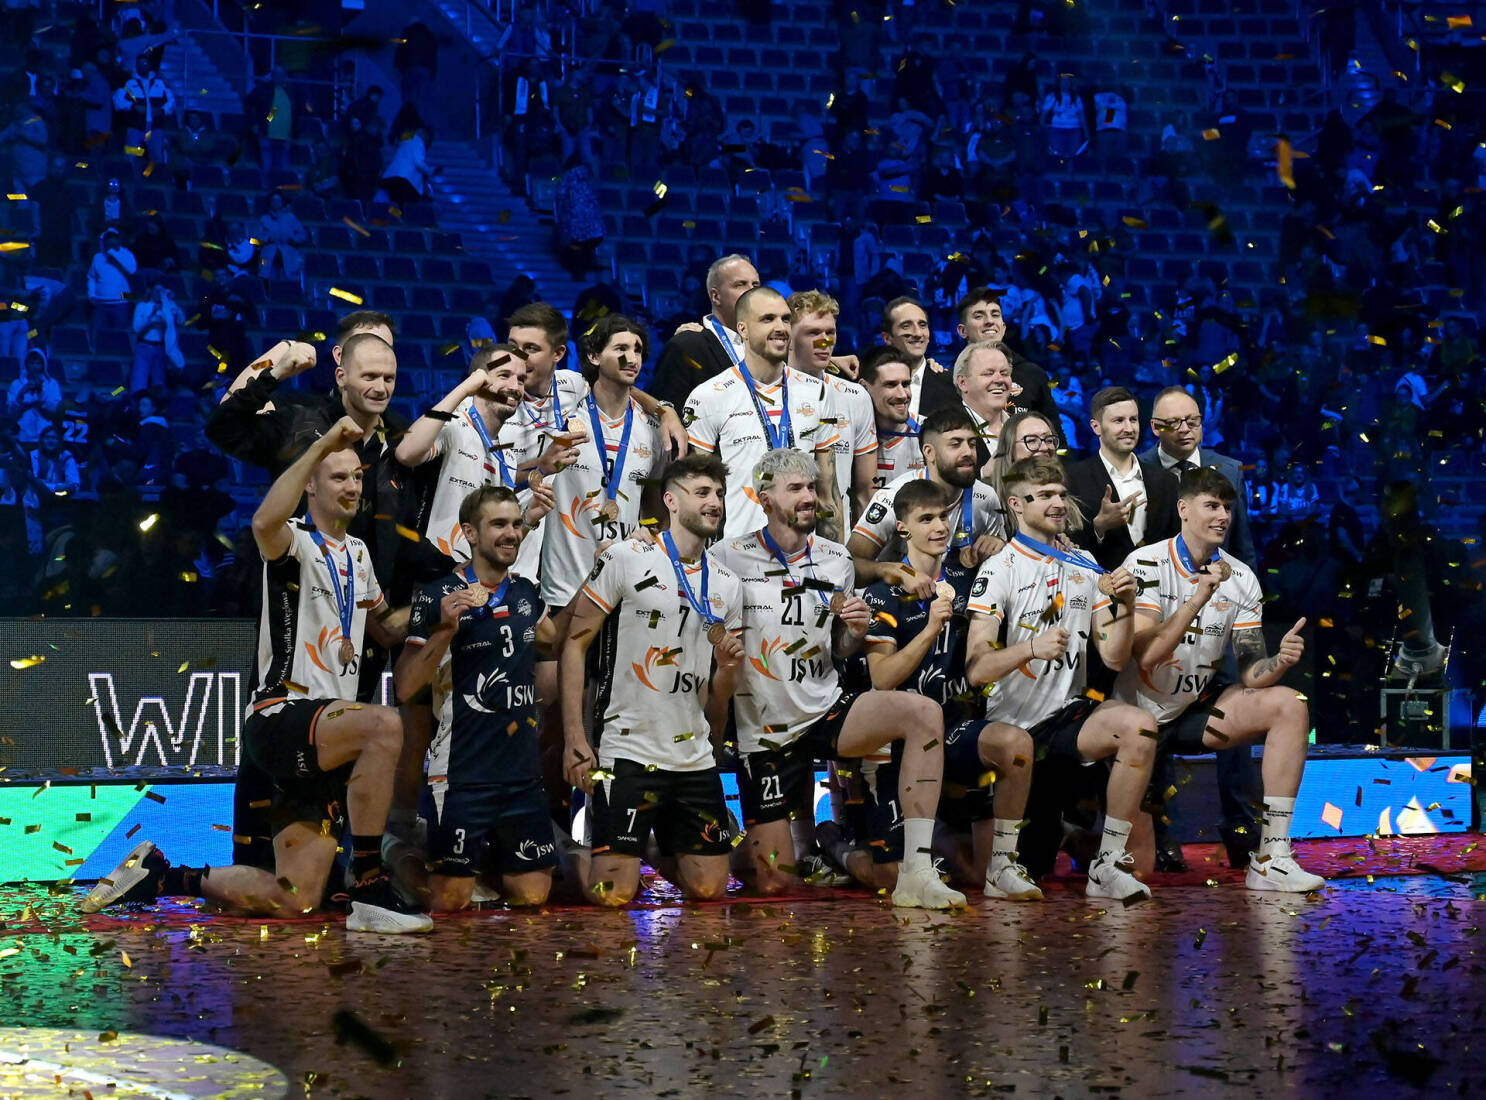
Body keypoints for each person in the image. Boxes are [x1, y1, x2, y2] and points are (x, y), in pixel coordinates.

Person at [80, 417, 431, 933]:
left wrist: (442, 604)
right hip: (281, 713)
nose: (353, 486)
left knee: (295, 897)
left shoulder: (358, 554)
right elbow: (264, 521)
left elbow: (385, 626)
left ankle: (163, 876)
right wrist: (322, 444)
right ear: (311, 485)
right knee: (384, 724)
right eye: (338, 477)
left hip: (325, 738)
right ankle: (370, 884)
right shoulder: (294, 542)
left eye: (357, 477)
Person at [714, 449, 966, 909]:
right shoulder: (727, 557)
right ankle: (728, 848)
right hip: (764, 732)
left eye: (812, 487)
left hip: (825, 708)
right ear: (764, 499)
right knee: (772, 881)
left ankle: (917, 870)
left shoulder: (835, 558)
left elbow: (840, 647)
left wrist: (853, 632)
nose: (809, 497)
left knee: (923, 713)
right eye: (795, 488)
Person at [1117, 467, 1325, 892]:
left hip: (1193, 709)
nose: (1223, 516)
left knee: (1289, 704)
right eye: (1211, 506)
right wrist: (1199, 596)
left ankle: (1272, 856)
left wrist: (1279, 662)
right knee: (1138, 871)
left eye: (1227, 508)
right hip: (1134, 720)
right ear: (1183, 509)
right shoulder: (1145, 563)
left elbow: (1251, 671)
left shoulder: (1241, 576)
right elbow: (1146, 657)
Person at [965, 456, 1158, 900]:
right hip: (1012, 727)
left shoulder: (1084, 562)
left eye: (1061, 494)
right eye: (1044, 495)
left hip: (1068, 720)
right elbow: (977, 670)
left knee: (1140, 727)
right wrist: (1031, 648)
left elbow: (1113, 658)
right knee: (1007, 868)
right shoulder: (1000, 568)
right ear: (1016, 504)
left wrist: (1128, 606)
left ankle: (1107, 865)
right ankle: (1011, 858)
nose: (1057, 503)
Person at [559, 453, 746, 905]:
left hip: (692, 755)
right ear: (671, 501)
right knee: (612, 895)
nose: (715, 502)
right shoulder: (625, 557)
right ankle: (562, 848)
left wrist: (726, 669)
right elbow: (573, 644)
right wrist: (575, 738)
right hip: (628, 748)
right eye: (702, 492)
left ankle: (648, 851)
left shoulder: (727, 583)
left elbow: (719, 688)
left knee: (710, 889)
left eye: (719, 493)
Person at [861, 479, 1041, 899]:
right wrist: (930, 628)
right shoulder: (882, 593)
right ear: (902, 528)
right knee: (888, 877)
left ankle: (1002, 866)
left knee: (1016, 745)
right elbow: (882, 678)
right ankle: (835, 845)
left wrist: (1000, 546)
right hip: (901, 743)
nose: (939, 526)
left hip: (956, 728)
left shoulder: (970, 575)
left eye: (943, 516)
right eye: (926, 519)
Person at [393, 485, 561, 910]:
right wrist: (445, 631)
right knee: (449, 902)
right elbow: (405, 687)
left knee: (533, 896)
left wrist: (599, 574)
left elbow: (553, 639)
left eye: (517, 524)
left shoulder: (526, 592)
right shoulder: (437, 595)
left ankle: (482, 869)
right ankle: (395, 854)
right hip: (463, 771)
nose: (512, 533)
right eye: (499, 524)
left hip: (521, 773)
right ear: (469, 532)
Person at [683, 286, 843, 539]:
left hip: (804, 550)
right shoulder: (709, 396)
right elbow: (696, 494)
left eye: (785, 319)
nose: (781, 327)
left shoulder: (818, 392)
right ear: (743, 329)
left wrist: (834, 555)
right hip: (738, 550)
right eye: (768, 319)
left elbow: (828, 493)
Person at [538, 314, 666, 617]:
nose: (631, 358)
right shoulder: (564, 414)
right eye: (620, 349)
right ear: (594, 356)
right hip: (564, 585)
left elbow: (654, 504)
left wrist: (649, 533)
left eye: (637, 350)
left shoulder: (652, 430)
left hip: (623, 588)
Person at [849, 406, 1006, 596]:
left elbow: (1003, 569)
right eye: (955, 444)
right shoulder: (894, 497)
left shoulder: (987, 497)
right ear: (929, 452)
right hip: (896, 604)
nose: (968, 452)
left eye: (972, 444)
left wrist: (998, 547)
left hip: (954, 604)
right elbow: (849, 566)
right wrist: (894, 570)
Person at [787, 289, 877, 523]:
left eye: (830, 332)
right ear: (788, 335)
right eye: (813, 332)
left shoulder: (855, 396)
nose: (825, 341)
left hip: (837, 531)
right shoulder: (767, 392)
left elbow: (866, 490)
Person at [1066, 386, 1179, 572]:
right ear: (1096, 427)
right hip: (1100, 585)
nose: (1129, 428)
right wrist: (1099, 527)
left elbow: (1176, 543)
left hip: (1160, 586)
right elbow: (1066, 547)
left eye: (1133, 419)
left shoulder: (1166, 481)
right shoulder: (1073, 479)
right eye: (1118, 421)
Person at [1140, 387, 1256, 567]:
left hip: (1218, 580)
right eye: (1173, 422)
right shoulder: (1134, 471)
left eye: (1192, 422)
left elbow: (1242, 548)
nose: (1185, 429)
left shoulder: (1230, 471)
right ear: (1155, 427)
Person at [649, 253, 761, 407]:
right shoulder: (687, 346)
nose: (751, 291)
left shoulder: (768, 343)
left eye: (755, 285)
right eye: (740, 285)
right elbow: (665, 411)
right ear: (716, 296)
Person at [953, 287, 1061, 426]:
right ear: (963, 331)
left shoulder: (1033, 374)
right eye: (979, 316)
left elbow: (1054, 431)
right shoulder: (948, 378)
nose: (989, 321)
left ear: (1003, 327)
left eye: (995, 315)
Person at [858, 346, 924, 490]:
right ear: (864, 387)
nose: (902, 395)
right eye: (891, 385)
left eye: (905, 384)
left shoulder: (931, 431)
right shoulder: (850, 434)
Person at [880, 297, 956, 420]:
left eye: (922, 325)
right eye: (906, 326)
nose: (918, 333)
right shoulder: (871, 383)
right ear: (887, 338)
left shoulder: (951, 385)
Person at [952, 340, 1018, 471]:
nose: (999, 380)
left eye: (1004, 373)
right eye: (988, 373)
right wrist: (983, 475)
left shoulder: (1021, 427)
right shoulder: (946, 429)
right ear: (963, 383)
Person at [112, 53, 174, 164]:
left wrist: (162, 110)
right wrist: (133, 107)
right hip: (135, 127)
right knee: (131, 157)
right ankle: (132, 175)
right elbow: (117, 100)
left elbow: (172, 101)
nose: (142, 66)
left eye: (145, 63)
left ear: (150, 65)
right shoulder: (129, 83)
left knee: (157, 158)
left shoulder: (160, 83)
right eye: (139, 64)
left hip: (155, 128)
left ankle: (155, 175)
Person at [129, 282, 185, 393]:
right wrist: (151, 320)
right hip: (144, 346)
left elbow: (181, 320)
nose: (160, 293)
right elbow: (136, 328)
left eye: (161, 291)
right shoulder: (142, 306)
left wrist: (172, 302)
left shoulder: (167, 308)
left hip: (161, 348)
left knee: (159, 382)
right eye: (157, 290)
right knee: (139, 381)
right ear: (151, 291)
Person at [86, 228, 137, 338]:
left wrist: (114, 254)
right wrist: (92, 294)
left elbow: (132, 271)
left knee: (119, 335)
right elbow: (92, 277)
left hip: (121, 300)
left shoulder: (127, 254)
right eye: (108, 240)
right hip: (101, 302)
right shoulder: (98, 257)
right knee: (97, 335)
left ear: (118, 240)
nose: (110, 242)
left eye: (113, 239)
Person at [257, 191, 307, 279]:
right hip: (266, 256)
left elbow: (303, 236)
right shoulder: (263, 219)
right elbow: (253, 240)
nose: (276, 203)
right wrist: (267, 239)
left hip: (288, 255)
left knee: (287, 280)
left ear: (282, 202)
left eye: (278, 200)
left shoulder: (291, 218)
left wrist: (292, 239)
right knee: (265, 275)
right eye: (273, 200)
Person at [382, 125, 434, 204]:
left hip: (391, 178)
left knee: (395, 203)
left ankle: (395, 212)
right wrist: (429, 170)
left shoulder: (407, 140)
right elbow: (418, 163)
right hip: (405, 180)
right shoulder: (418, 142)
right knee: (405, 205)